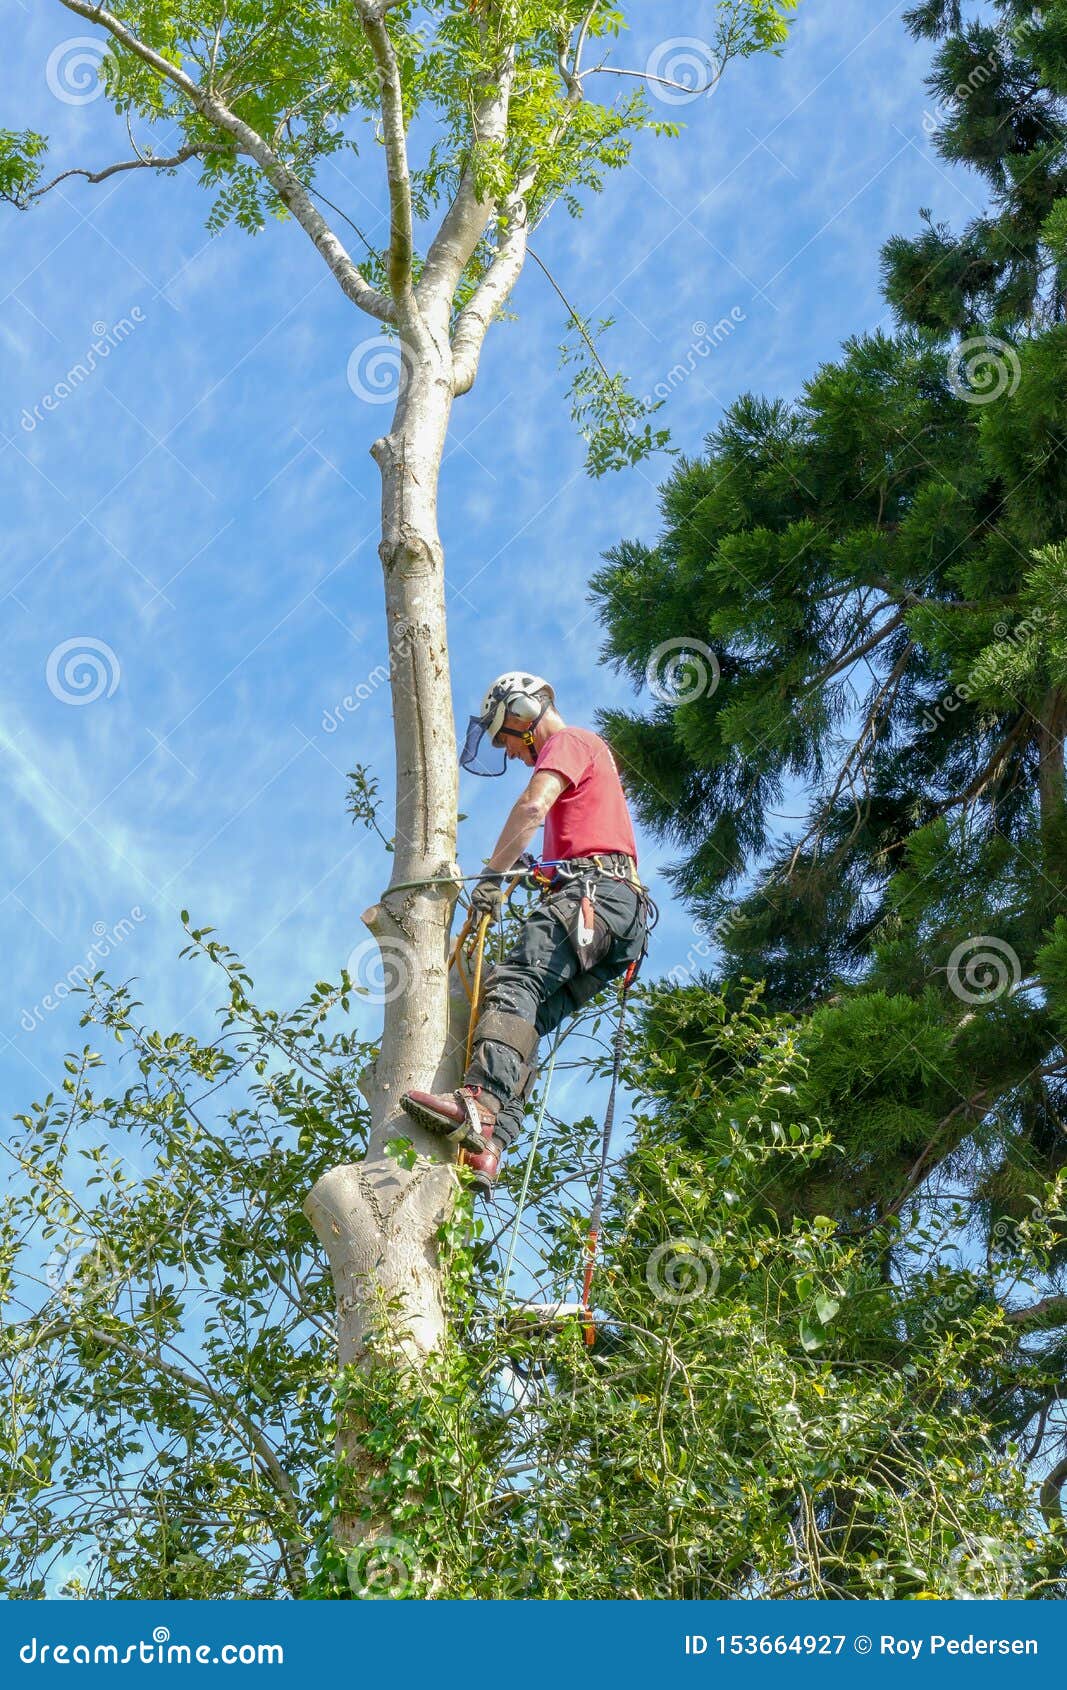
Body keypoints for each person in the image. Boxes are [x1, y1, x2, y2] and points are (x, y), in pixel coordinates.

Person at [401, 671, 651, 1196]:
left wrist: (492, 874)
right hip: (618, 918)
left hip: (594, 900)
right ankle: (492, 1145)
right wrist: (541, 871)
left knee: (514, 982)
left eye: (506, 740)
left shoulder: (569, 741)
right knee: (529, 1017)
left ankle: (480, 1106)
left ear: (520, 713)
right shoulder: (589, 766)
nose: (511, 754)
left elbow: (533, 806)